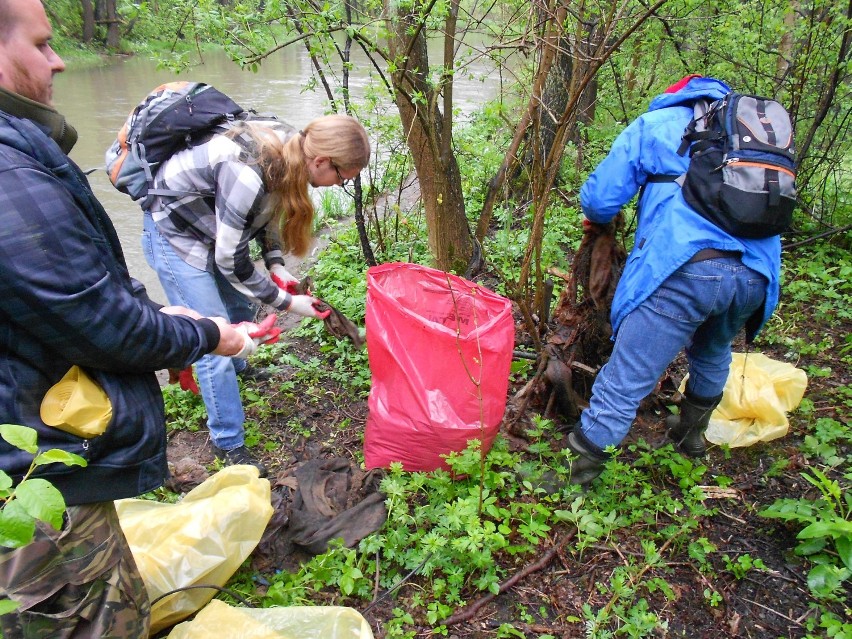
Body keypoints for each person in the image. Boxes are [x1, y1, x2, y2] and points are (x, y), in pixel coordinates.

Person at [0, 0, 267, 636]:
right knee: (86, 617)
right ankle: (229, 441)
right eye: (41, 44)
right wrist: (206, 333)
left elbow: (54, 296)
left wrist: (161, 316)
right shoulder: (10, 169)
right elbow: (96, 318)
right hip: (28, 474)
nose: (60, 59)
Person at [565, 75, 782, 486]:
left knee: (625, 378)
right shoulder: (750, 135)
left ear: (675, 94)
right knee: (714, 351)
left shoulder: (659, 124)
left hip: (684, 269)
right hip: (755, 273)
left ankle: (577, 477)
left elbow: (599, 199)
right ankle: (690, 437)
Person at [143, 109, 371, 474]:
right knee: (214, 333)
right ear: (322, 161)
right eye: (342, 177)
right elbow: (232, 260)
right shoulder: (249, 171)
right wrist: (289, 303)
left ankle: (240, 367)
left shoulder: (294, 148)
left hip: (214, 228)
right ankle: (228, 443)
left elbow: (266, 214)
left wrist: (277, 265)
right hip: (178, 233)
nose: (339, 184)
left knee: (237, 306)